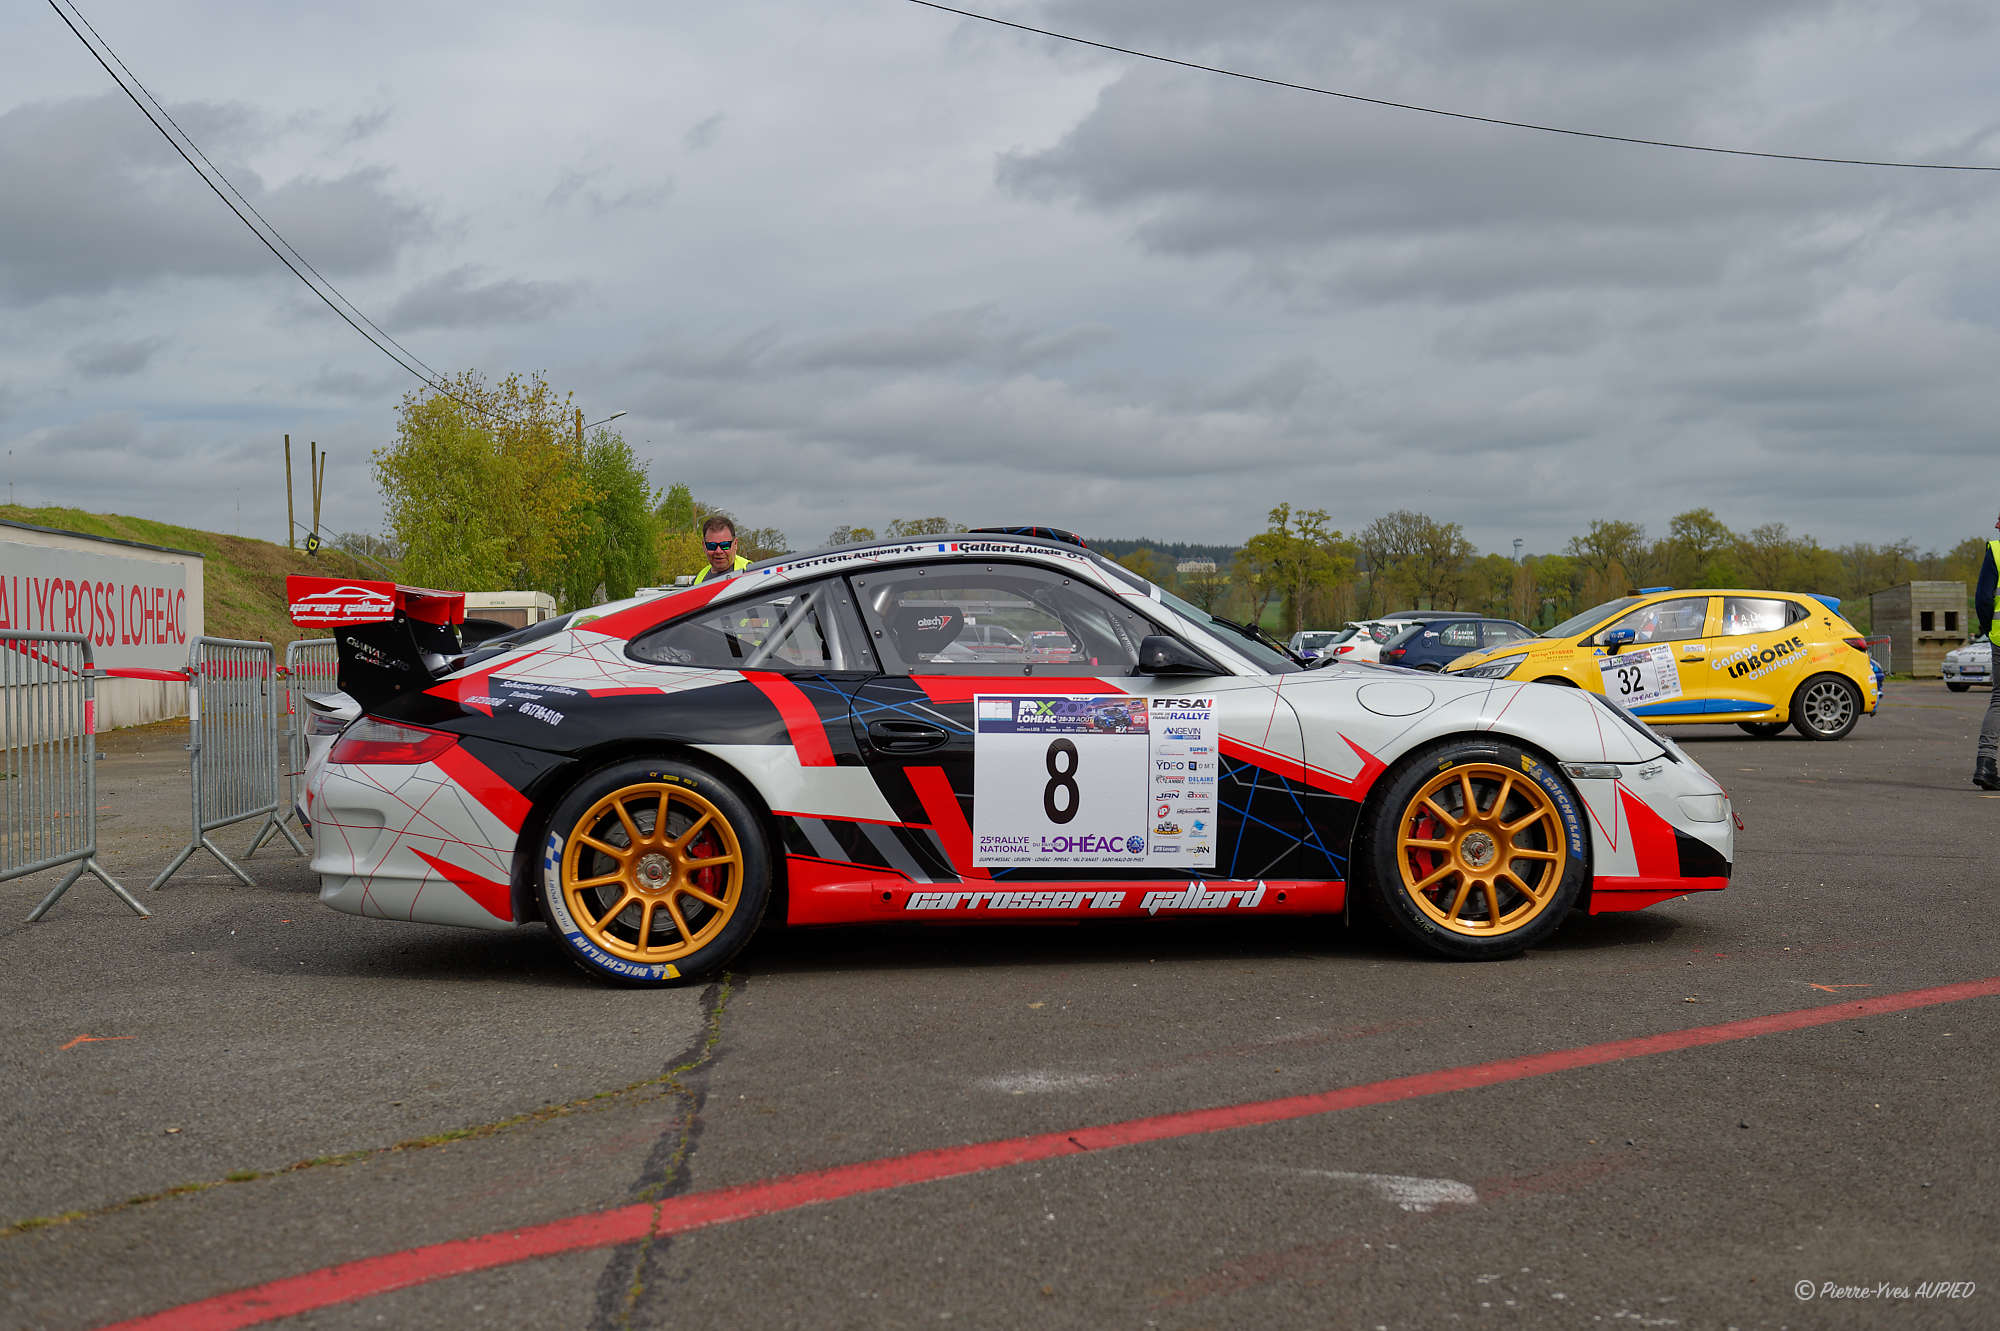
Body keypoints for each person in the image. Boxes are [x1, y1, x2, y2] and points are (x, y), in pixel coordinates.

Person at [1974, 512, 2000, 790]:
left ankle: (1986, 764)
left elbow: (1983, 598)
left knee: (1999, 701)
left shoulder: (1996, 551)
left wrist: (1988, 629)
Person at [692, 516, 750, 584]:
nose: (718, 551)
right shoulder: (698, 580)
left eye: (724, 545)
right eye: (712, 546)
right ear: (704, 546)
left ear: (735, 544)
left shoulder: (750, 573)